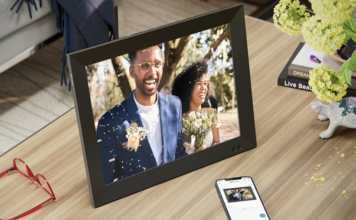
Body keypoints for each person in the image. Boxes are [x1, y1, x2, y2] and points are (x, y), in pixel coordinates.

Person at [96, 44, 187, 185]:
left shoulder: (175, 105)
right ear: (132, 72)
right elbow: (105, 184)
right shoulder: (110, 122)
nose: (152, 72)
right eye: (145, 65)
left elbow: (179, 154)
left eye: (157, 64)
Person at [172, 59, 220, 154]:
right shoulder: (179, 120)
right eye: (198, 83)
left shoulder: (211, 113)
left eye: (205, 84)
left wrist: (208, 150)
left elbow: (216, 141)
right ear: (188, 89)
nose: (203, 87)